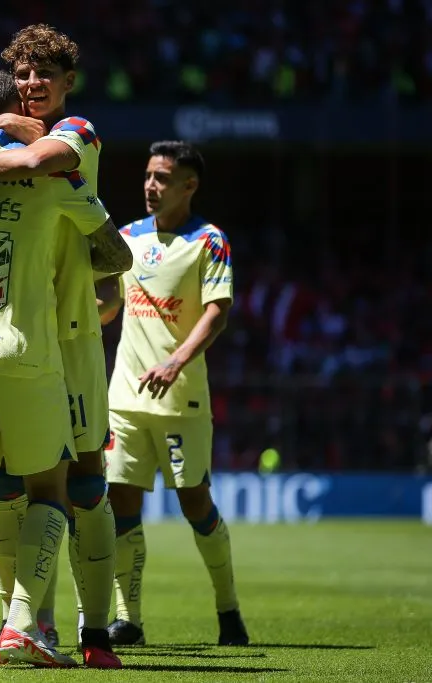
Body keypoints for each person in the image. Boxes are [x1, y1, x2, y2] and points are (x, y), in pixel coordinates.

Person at [0, 25, 131, 668]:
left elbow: (36, 165)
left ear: (69, 83)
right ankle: (20, 624)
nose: (33, 83)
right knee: (12, 484)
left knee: (85, 478)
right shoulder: (3, 134)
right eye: (23, 74)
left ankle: (96, 632)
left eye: (46, 74)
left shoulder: (77, 134)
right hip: (22, 333)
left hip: (70, 333)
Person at [104, 141, 249, 647]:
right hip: (123, 397)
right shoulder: (125, 238)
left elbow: (217, 311)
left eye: (163, 178)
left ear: (189, 186)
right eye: (148, 175)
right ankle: (129, 619)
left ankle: (229, 610)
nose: (150, 185)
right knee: (120, 503)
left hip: (181, 398)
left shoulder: (209, 241)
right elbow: (106, 301)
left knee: (195, 504)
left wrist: (175, 360)